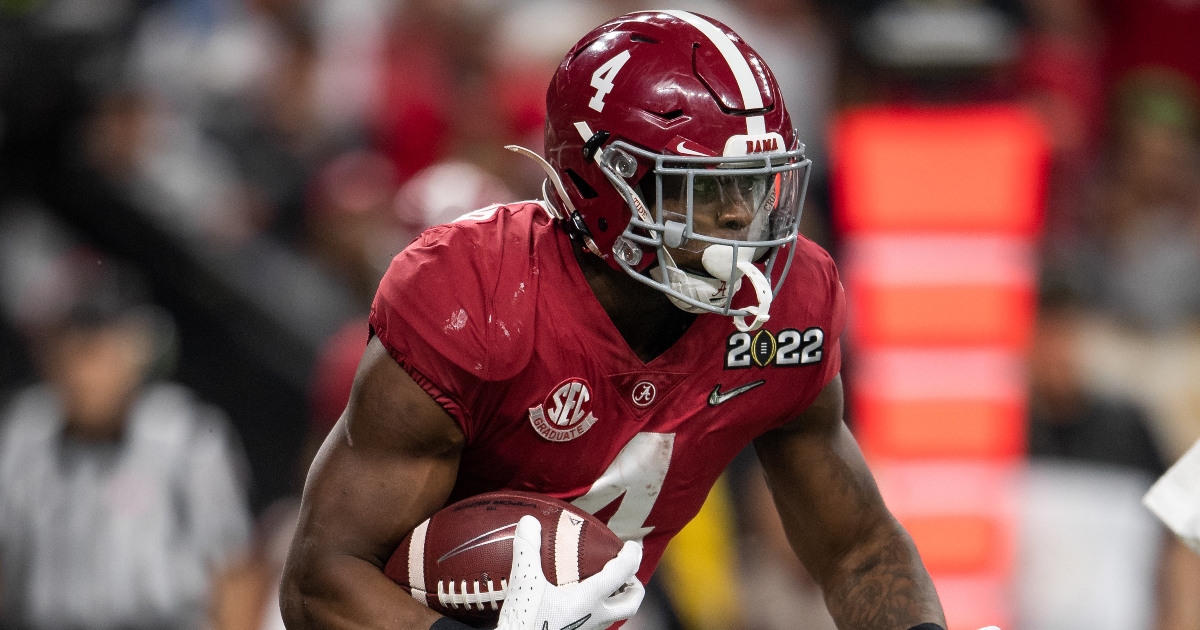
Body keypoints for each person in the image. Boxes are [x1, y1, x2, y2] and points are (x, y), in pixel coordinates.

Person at [281, 11, 945, 630]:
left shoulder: (787, 303)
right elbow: (322, 580)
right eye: (706, 186)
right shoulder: (476, 297)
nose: (743, 217)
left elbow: (857, 547)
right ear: (606, 184)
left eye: (752, 181)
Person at [0, 253, 256, 630]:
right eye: (73, 351)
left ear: (135, 351)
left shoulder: (186, 436)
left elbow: (234, 571)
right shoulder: (25, 434)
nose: (86, 374)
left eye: (98, 351)